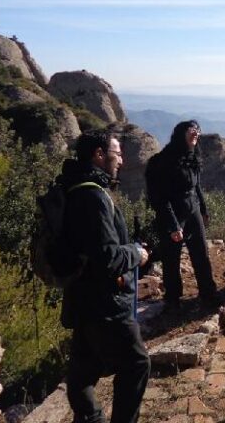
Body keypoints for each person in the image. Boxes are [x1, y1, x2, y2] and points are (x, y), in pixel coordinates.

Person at [59, 130, 150, 423]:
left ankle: (89, 418)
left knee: (83, 374)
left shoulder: (74, 188)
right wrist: (137, 253)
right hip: (106, 304)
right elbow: (107, 259)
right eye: (117, 153)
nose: (122, 160)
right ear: (99, 154)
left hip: (83, 300)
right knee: (136, 364)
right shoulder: (92, 196)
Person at [145, 120, 219, 310]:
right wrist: (173, 225)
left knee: (201, 253)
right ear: (180, 134)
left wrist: (203, 211)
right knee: (171, 259)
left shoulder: (192, 157)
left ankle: (208, 293)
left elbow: (196, 187)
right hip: (172, 214)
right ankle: (172, 300)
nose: (196, 133)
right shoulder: (162, 161)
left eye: (198, 130)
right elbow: (158, 197)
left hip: (192, 210)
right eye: (191, 129)